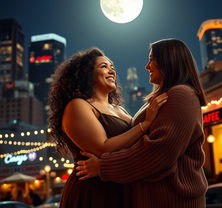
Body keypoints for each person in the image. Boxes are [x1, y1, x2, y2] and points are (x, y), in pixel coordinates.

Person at [76, 38, 208, 207]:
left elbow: (160, 151)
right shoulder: (164, 96)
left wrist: (103, 167)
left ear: (169, 61)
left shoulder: (181, 95)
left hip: (171, 199)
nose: (147, 66)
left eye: (152, 59)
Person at [48, 47, 167, 208]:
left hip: (121, 185)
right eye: (103, 66)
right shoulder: (78, 106)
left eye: (112, 67)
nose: (111, 70)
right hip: (93, 190)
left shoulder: (120, 109)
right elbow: (102, 148)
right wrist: (145, 124)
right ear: (86, 74)